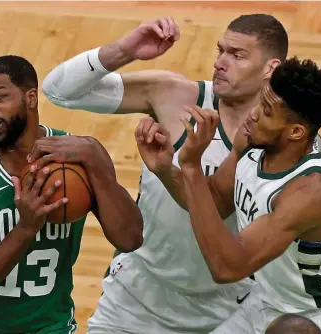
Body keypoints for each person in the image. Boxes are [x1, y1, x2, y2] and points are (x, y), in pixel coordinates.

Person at [32, 13, 290, 333]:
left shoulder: (289, 140)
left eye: (237, 55)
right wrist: (126, 49)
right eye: (220, 50)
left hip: (228, 308)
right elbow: (59, 90)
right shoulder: (174, 94)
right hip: (135, 296)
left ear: (271, 68)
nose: (221, 62)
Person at [0, 55, 143, 334]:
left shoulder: (77, 157)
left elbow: (131, 238)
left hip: (47, 326)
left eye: (0, 97)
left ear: (30, 98)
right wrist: (26, 228)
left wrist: (98, 167)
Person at [136, 56, 321, 334]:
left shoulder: (311, 190)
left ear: (296, 132)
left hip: (319, 314)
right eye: (259, 103)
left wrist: (191, 167)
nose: (253, 114)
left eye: (266, 111)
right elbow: (214, 200)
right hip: (266, 301)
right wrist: (167, 169)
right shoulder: (252, 140)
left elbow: (227, 268)